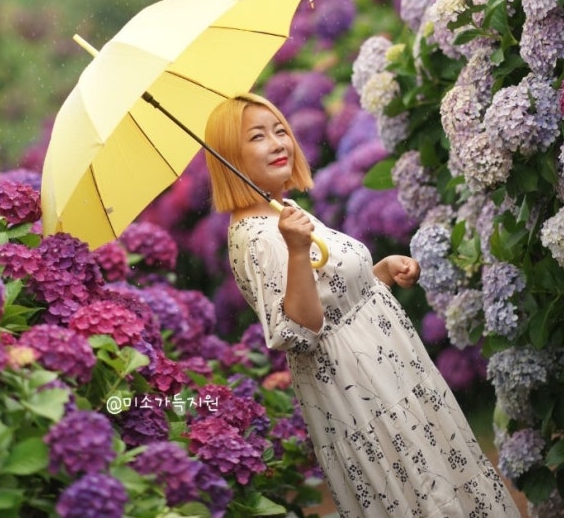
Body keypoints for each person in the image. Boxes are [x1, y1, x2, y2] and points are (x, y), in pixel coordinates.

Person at [204, 92, 520, 517]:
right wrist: (296, 250)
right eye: (258, 137)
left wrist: (381, 274)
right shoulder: (259, 235)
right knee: (420, 491)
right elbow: (300, 328)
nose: (278, 143)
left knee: (438, 478)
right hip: (364, 390)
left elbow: (329, 296)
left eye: (280, 130)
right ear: (229, 156)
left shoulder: (281, 212)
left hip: (389, 373)